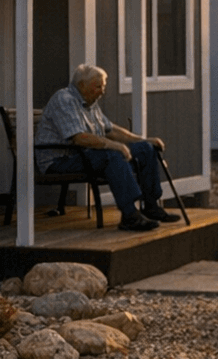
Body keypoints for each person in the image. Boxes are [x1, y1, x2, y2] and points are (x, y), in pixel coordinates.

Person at [34, 63, 179, 232]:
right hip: (59, 161)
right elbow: (79, 138)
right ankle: (130, 215)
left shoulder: (90, 102)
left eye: (103, 86)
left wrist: (144, 140)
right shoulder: (64, 100)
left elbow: (111, 130)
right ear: (82, 85)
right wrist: (115, 146)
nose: (102, 91)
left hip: (84, 156)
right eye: (98, 87)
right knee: (111, 155)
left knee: (145, 149)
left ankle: (151, 206)